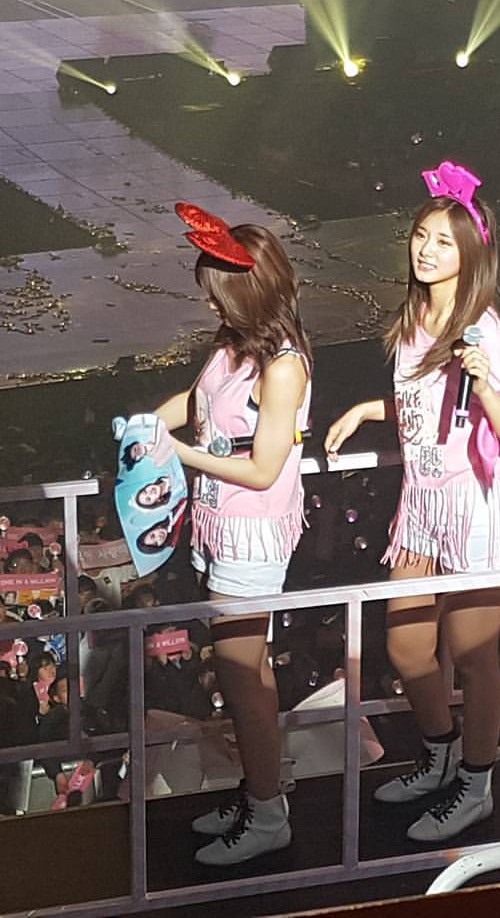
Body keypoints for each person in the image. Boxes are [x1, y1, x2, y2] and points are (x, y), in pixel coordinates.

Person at [325, 161, 500, 843]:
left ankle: (477, 783)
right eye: (420, 236)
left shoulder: (487, 333)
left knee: (474, 657)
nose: (427, 250)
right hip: (420, 504)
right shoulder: (415, 318)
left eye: (443, 240)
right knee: (408, 648)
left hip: (474, 504)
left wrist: (487, 386)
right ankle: (440, 754)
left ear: (471, 253)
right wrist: (368, 409)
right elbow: (421, 408)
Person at [152, 203, 311, 864]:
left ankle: (268, 815)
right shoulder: (232, 349)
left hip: (252, 536)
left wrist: (178, 453)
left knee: (242, 678)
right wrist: (146, 425)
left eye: (218, 293)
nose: (211, 305)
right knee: (250, 678)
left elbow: (265, 468)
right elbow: (193, 404)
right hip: (220, 525)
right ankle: (260, 794)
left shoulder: (284, 367)